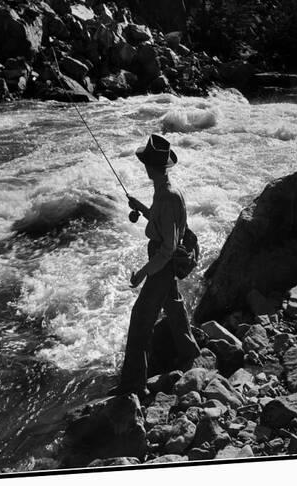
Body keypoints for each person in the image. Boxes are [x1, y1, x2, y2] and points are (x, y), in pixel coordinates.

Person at [109, 133, 200, 399]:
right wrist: (142, 208)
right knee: (172, 304)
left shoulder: (168, 197)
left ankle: (133, 385)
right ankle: (189, 352)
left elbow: (169, 247)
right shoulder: (165, 191)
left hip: (162, 265)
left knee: (140, 320)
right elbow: (164, 225)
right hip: (165, 264)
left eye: (145, 163)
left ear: (150, 166)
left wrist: (142, 273)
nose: (144, 167)